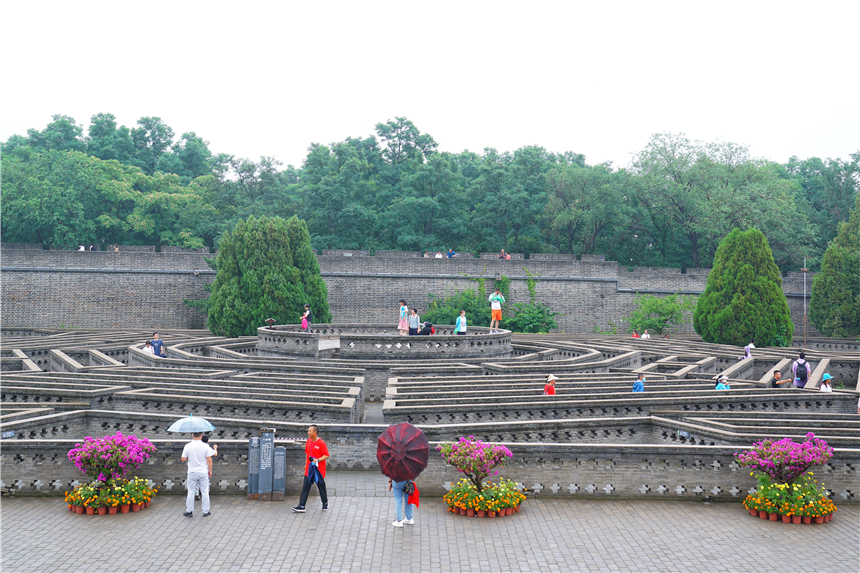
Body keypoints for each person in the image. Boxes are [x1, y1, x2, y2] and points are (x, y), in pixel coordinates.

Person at [292, 425, 330, 513]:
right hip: (309, 470)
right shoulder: (308, 441)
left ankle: (325, 503)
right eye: (308, 431)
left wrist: (318, 460)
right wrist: (306, 464)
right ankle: (301, 505)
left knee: (321, 487)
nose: (308, 432)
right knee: (305, 487)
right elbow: (307, 453)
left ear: (315, 432)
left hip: (318, 470)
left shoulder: (321, 443)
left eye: (310, 431)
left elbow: (326, 455)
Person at [181, 432, 215, 518]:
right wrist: (210, 470)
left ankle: (189, 511)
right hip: (203, 471)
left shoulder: (187, 446)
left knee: (191, 492)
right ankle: (206, 511)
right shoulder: (205, 446)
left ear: (192, 435)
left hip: (192, 471)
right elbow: (209, 460)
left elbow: (183, 459)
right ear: (201, 435)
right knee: (205, 491)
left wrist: (189, 456)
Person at [196, 434, 219, 500]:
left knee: (196, 482)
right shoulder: (206, 447)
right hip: (203, 468)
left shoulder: (196, 446)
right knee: (205, 482)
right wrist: (215, 448)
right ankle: (205, 495)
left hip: (195, 467)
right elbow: (214, 454)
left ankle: (196, 493)